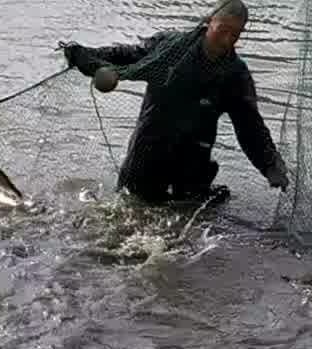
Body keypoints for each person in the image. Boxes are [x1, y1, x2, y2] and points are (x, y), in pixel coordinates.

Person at [61, 0, 288, 205]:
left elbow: (250, 127)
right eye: (223, 31)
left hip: (193, 158)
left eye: (235, 34)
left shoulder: (235, 75)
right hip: (148, 149)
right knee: (131, 208)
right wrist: (84, 55)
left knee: (186, 220)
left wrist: (271, 166)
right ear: (209, 22)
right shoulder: (169, 47)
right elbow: (127, 55)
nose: (227, 40)